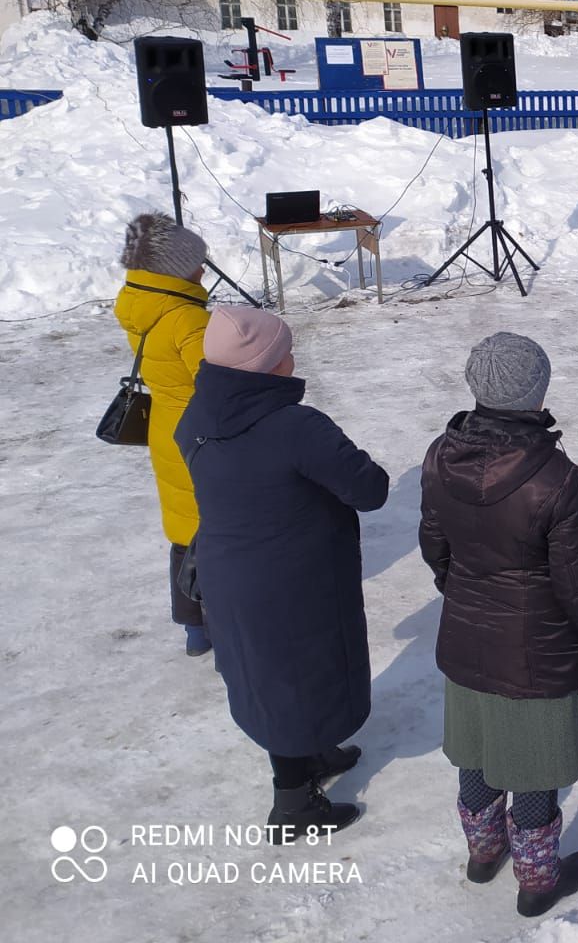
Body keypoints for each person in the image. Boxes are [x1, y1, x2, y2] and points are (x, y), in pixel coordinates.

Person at [418, 332, 578, 917]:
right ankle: (537, 881)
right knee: (532, 766)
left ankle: (484, 854)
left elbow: (434, 545)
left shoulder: (440, 452)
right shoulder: (554, 476)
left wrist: (462, 593)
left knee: (477, 754)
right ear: (537, 394)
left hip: (464, 639)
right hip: (536, 653)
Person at [175, 308, 389, 839]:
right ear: (264, 367)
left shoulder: (197, 416)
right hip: (295, 580)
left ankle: (310, 752)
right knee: (297, 678)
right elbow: (371, 489)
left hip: (231, 574)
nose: (294, 359)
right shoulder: (296, 427)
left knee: (269, 678)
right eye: (285, 352)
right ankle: (293, 805)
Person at [114, 212, 213, 655]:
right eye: (197, 263)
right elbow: (215, 384)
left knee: (181, 528)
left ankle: (192, 627)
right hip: (202, 435)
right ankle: (222, 620)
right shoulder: (186, 320)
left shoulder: (137, 304)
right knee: (215, 529)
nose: (203, 270)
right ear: (174, 271)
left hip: (164, 429)